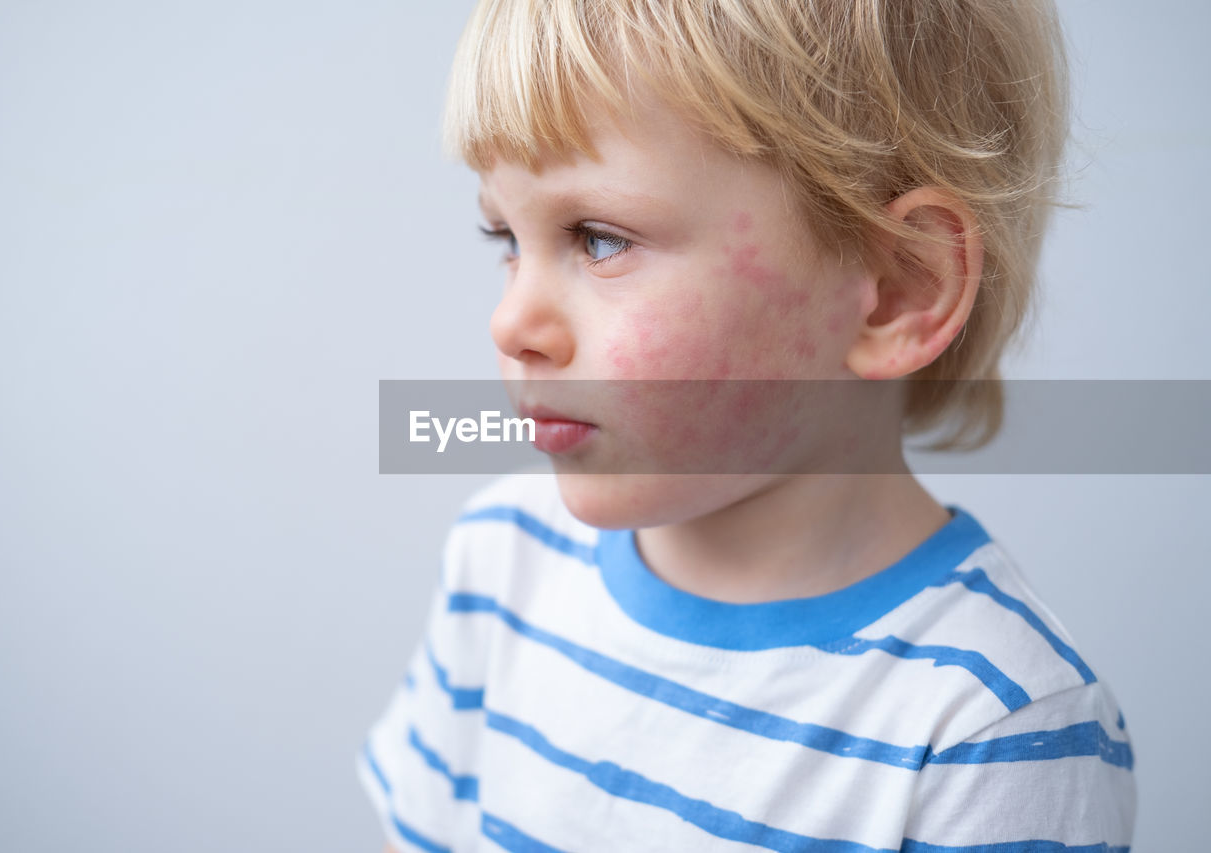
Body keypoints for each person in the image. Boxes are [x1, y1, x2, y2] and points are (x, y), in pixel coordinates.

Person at [361, 0, 1137, 849]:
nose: (511, 322)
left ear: (898, 287)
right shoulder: (502, 559)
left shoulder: (989, 724)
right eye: (504, 234)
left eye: (598, 238)